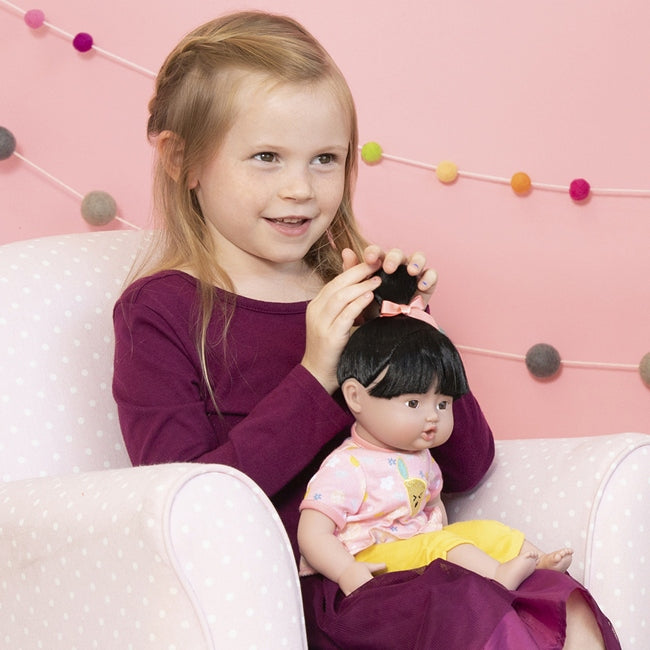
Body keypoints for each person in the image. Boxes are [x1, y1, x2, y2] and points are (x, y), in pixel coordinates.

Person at [112, 10, 619, 649]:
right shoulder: (159, 313)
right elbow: (184, 504)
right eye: (266, 157)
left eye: (325, 158)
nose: (300, 188)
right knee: (465, 605)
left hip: (418, 562)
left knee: (558, 598)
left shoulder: (352, 289)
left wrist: (414, 338)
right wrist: (315, 373)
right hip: (314, 586)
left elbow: (468, 466)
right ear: (183, 159)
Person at [298, 267, 574, 595]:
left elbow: (433, 505)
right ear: (356, 396)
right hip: (371, 559)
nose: (433, 418)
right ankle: (499, 577)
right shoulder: (348, 466)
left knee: (485, 531)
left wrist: (449, 532)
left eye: (443, 404)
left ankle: (537, 561)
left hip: (418, 550)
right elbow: (312, 533)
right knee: (441, 546)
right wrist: (346, 570)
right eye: (414, 404)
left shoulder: (422, 457)